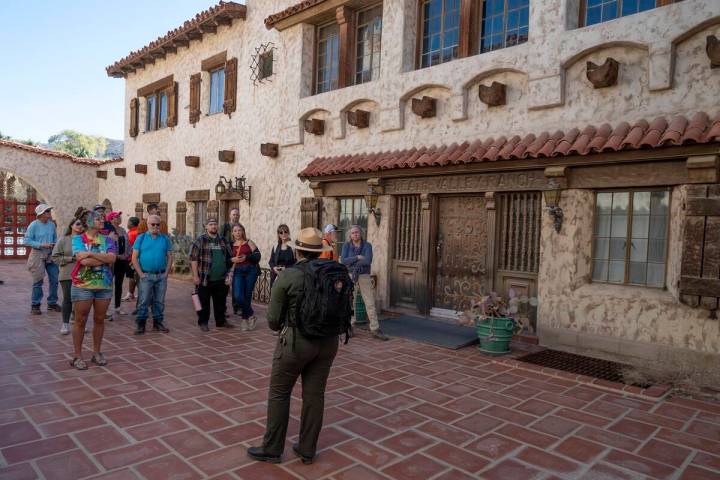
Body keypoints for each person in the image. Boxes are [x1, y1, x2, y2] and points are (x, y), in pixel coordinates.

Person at [247, 228, 341, 465]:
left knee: (279, 393)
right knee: (314, 395)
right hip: (328, 342)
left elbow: (272, 320)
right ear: (320, 251)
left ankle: (272, 447)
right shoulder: (332, 273)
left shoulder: (288, 276)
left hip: (296, 342)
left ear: (298, 250)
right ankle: (307, 449)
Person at [69, 209, 117, 370]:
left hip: (104, 286)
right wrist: (101, 259)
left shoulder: (108, 240)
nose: (102, 220)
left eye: (102, 218)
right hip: (83, 286)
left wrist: (89, 253)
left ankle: (97, 353)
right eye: (97, 218)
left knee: (99, 319)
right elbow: (83, 263)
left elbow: (112, 258)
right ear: (88, 222)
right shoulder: (77, 239)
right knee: (80, 320)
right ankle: (77, 355)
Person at [341, 225, 388, 341]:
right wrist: (357, 257)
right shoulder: (346, 246)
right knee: (350, 301)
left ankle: (375, 328)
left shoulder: (367, 245)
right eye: (353, 233)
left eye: (357, 232)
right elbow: (343, 260)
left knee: (369, 301)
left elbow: (368, 261)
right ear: (350, 235)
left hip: (364, 276)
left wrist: (353, 263)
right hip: (350, 276)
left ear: (361, 233)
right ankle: (349, 326)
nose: (355, 234)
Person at [190, 218, 235, 332]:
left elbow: (230, 258)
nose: (213, 226)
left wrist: (230, 274)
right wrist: (195, 276)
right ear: (206, 226)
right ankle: (203, 322)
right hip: (205, 278)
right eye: (211, 224)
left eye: (215, 224)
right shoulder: (200, 240)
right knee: (203, 303)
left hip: (221, 278)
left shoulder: (223, 240)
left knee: (221, 302)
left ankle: (221, 321)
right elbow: (193, 259)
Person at [131, 215, 172, 335]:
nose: (155, 226)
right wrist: (141, 274)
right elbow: (134, 258)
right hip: (146, 275)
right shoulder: (141, 238)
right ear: (147, 225)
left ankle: (158, 322)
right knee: (143, 300)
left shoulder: (165, 239)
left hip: (161, 275)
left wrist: (166, 273)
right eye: (152, 224)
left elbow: (170, 257)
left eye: (157, 224)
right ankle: (141, 324)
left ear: (160, 225)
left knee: (159, 301)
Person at [25, 203, 60, 315]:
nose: (49, 213)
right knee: (38, 281)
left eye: (49, 211)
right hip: (37, 255)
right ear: (41, 214)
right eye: (47, 211)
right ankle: (35, 305)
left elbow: (55, 238)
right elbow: (27, 241)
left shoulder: (52, 225)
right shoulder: (33, 225)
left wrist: (54, 244)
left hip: (50, 255)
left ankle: (52, 303)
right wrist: (41, 245)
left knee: (54, 280)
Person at [52, 217, 84, 335]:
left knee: (81, 300)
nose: (80, 226)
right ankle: (65, 324)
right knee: (68, 299)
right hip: (67, 274)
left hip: (83, 274)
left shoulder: (85, 240)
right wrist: (71, 258)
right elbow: (54, 257)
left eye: (82, 225)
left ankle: (79, 322)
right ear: (71, 225)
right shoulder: (63, 240)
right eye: (77, 224)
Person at [229, 223, 261, 330]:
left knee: (247, 295)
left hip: (250, 271)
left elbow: (258, 256)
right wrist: (232, 260)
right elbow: (227, 259)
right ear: (232, 233)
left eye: (239, 230)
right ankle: (251, 315)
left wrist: (246, 257)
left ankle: (244, 320)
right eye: (235, 231)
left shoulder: (249, 242)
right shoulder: (231, 245)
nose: (238, 232)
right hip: (238, 271)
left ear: (243, 231)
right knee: (238, 295)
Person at [107, 211, 129, 320]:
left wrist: (126, 255)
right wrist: (116, 256)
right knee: (108, 284)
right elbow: (108, 246)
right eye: (116, 217)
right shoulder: (108, 231)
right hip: (112, 260)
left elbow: (127, 244)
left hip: (122, 260)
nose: (119, 218)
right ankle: (105, 308)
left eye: (120, 216)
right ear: (111, 219)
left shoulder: (123, 230)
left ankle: (117, 307)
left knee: (119, 283)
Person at [268, 224, 296, 288]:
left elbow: (296, 263)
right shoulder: (275, 246)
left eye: (285, 231)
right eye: (281, 232)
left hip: (289, 275)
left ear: (288, 232)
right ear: (278, 235)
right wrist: (274, 268)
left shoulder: (293, 247)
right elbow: (271, 261)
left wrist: (285, 268)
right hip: (276, 275)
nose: (283, 234)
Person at [122, 217, 140, 302]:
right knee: (136, 275)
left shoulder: (131, 233)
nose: (127, 223)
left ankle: (130, 293)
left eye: (128, 222)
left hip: (131, 258)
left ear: (132, 223)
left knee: (131, 276)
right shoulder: (138, 232)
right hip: (137, 257)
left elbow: (127, 246)